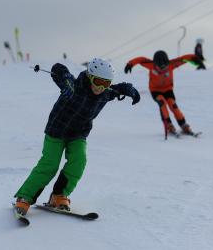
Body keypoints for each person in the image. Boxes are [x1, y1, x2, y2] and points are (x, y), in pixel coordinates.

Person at [14, 58, 140, 215]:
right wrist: (65, 78)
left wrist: (129, 90)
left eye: (106, 83)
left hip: (78, 134)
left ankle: (59, 195)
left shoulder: (104, 93)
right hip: (57, 130)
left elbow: (118, 89)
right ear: (89, 76)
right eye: (98, 81)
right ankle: (24, 197)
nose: (101, 87)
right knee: (50, 165)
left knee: (79, 161)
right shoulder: (74, 86)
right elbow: (57, 68)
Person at [124, 50, 201, 138]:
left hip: (168, 90)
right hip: (155, 91)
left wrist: (195, 58)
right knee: (162, 104)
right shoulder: (150, 65)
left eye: (164, 67)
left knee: (173, 105)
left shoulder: (172, 64)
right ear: (155, 63)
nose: (161, 69)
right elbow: (141, 60)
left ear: (167, 63)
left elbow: (183, 59)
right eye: (159, 67)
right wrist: (130, 64)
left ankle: (183, 125)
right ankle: (169, 125)